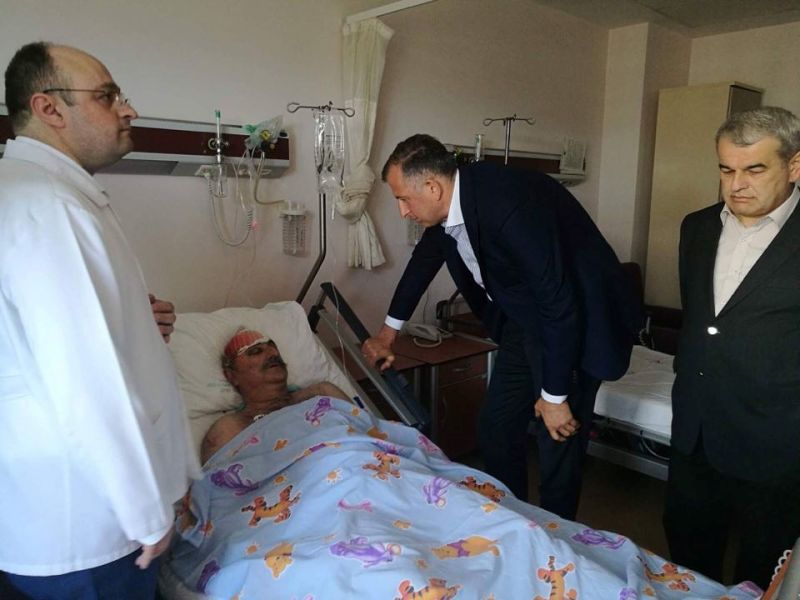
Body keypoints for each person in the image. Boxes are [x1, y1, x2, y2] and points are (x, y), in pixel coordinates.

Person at [0, 42, 199, 599]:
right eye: (107, 96)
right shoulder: (48, 205)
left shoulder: (51, 194)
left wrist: (133, 318)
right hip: (89, 522)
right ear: (49, 109)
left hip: (81, 511)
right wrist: (146, 510)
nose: (127, 109)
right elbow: (83, 379)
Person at [362, 134, 639, 520]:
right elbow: (424, 261)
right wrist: (387, 334)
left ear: (432, 187)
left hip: (576, 323)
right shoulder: (453, 205)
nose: (402, 211)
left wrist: (554, 397)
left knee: (557, 440)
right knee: (496, 427)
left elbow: (558, 301)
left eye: (403, 199)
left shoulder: (509, 205)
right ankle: (514, 519)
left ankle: (557, 536)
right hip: (525, 322)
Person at [663, 106, 800, 589]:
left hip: (775, 440)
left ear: (794, 166)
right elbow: (701, 320)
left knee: (763, 567)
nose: (736, 184)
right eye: (726, 169)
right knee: (686, 554)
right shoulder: (697, 227)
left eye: (754, 170)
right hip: (695, 432)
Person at [201, 329, 349, 463]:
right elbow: (219, 480)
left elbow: (361, 428)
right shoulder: (231, 428)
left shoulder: (322, 393)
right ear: (232, 376)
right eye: (256, 351)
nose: (273, 354)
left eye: (273, 348)